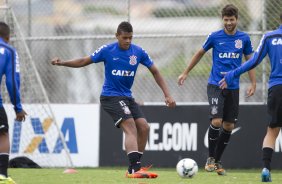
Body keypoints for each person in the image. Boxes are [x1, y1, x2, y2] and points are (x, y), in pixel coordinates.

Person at [51, 21, 176, 179]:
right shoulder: (107, 50)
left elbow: (155, 71)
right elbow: (84, 61)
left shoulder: (138, 52)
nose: (128, 41)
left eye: (130, 37)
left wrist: (167, 94)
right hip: (110, 97)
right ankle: (135, 169)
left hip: (127, 97)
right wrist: (63, 63)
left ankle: (134, 167)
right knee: (130, 127)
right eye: (124, 38)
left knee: (144, 127)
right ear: (117, 36)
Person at [178, 4, 256, 175]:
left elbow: (250, 61)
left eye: (232, 19)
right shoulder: (214, 36)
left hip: (233, 87)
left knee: (229, 126)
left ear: (237, 19)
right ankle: (210, 158)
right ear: (222, 19)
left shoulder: (244, 38)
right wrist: (185, 72)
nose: (229, 22)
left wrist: (253, 83)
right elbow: (199, 53)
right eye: (226, 20)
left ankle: (217, 160)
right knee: (217, 121)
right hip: (215, 85)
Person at [219, 13, 282, 182]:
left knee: (272, 131)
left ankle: (266, 168)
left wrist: (233, 73)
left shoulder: (269, 36)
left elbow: (253, 61)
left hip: (276, 88)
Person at [0, 22, 27, 184]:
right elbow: (12, 82)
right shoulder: (9, 51)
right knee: (2, 134)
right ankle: (1, 174)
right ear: (8, 38)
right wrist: (18, 107)